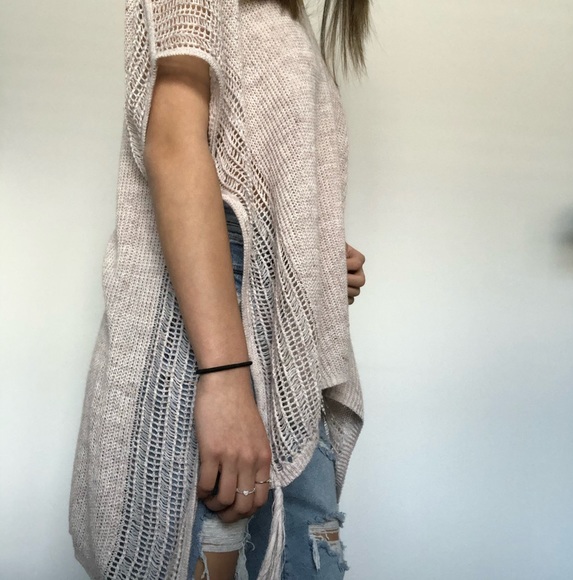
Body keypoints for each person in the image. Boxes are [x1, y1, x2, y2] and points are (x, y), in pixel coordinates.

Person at [69, 0, 369, 578]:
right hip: (207, 352)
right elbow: (174, 143)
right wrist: (225, 377)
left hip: (279, 357)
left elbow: (246, 181)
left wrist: (311, 263)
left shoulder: (289, 19)